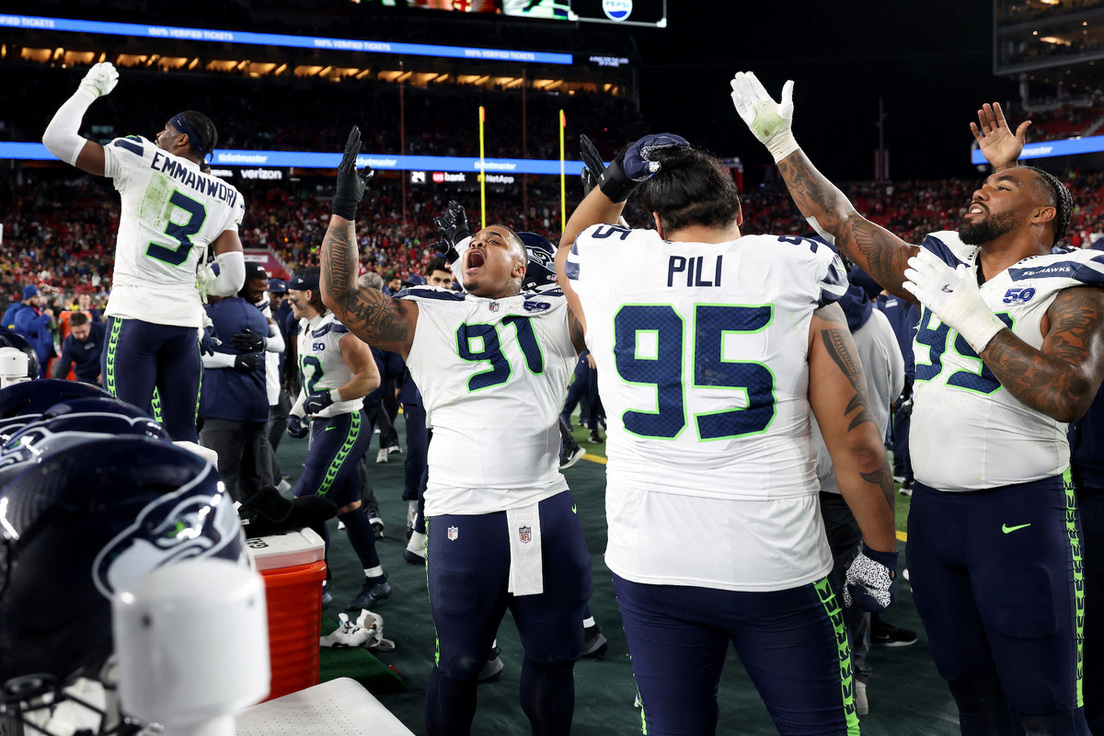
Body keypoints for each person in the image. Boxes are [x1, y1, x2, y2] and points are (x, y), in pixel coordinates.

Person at [731, 74, 1104, 734]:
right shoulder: (944, 267)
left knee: (1045, 706)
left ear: (1044, 215)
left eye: (1001, 187)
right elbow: (845, 226)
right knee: (971, 695)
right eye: (982, 184)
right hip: (932, 516)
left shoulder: (1070, 288)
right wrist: (784, 143)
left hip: (1018, 515)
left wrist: (972, 316)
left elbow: (1068, 393)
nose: (980, 192)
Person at [556, 133, 899, 736]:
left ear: (656, 223)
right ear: (738, 211)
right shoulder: (795, 267)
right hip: (775, 557)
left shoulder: (612, 263)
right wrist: (879, 550)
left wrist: (615, 178)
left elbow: (568, 246)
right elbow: (857, 441)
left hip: (651, 557)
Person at [320, 127, 592, 736]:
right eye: (472, 239)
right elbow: (339, 293)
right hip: (462, 515)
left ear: (523, 265)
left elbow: (615, 300)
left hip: (541, 507)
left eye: (494, 240)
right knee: (460, 665)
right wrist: (343, 211)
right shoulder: (424, 311)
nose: (478, 242)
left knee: (554, 659)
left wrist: (607, 209)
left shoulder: (553, 310)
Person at [41, 62, 246, 441]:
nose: (158, 134)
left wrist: (89, 89)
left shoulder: (140, 155)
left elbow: (56, 139)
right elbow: (234, 278)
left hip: (136, 316)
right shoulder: (228, 196)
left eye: (167, 130)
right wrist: (200, 280)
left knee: (128, 430)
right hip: (185, 325)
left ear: (182, 140)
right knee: (184, 433)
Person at [811, 277, 905, 717]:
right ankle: (856, 675)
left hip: (798, 474)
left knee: (799, 582)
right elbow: (895, 386)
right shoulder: (880, 321)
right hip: (859, 477)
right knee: (855, 581)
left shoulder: (793, 318)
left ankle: (810, 673)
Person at [285, 267, 390, 611]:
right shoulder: (304, 327)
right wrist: (297, 413)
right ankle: (377, 580)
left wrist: (331, 398)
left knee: (305, 502)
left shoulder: (339, 330)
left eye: (294, 291)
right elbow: (311, 381)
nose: (289, 296)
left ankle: (319, 582)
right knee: (348, 508)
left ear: (311, 295)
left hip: (344, 424)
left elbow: (371, 378)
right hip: (322, 426)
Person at [199, 279, 271, 504]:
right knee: (254, 479)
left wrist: (231, 361)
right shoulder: (257, 314)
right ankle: (260, 531)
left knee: (222, 479)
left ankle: (229, 536)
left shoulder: (208, 315)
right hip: (256, 407)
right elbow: (278, 344)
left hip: (223, 409)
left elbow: (197, 356)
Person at [52, 312, 105, 384]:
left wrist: (105, 372)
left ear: (89, 325)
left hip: (106, 374)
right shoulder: (69, 343)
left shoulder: (103, 330)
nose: (81, 336)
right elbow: (63, 367)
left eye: (83, 331)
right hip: (85, 379)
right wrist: (54, 385)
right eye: (77, 333)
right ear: (71, 330)